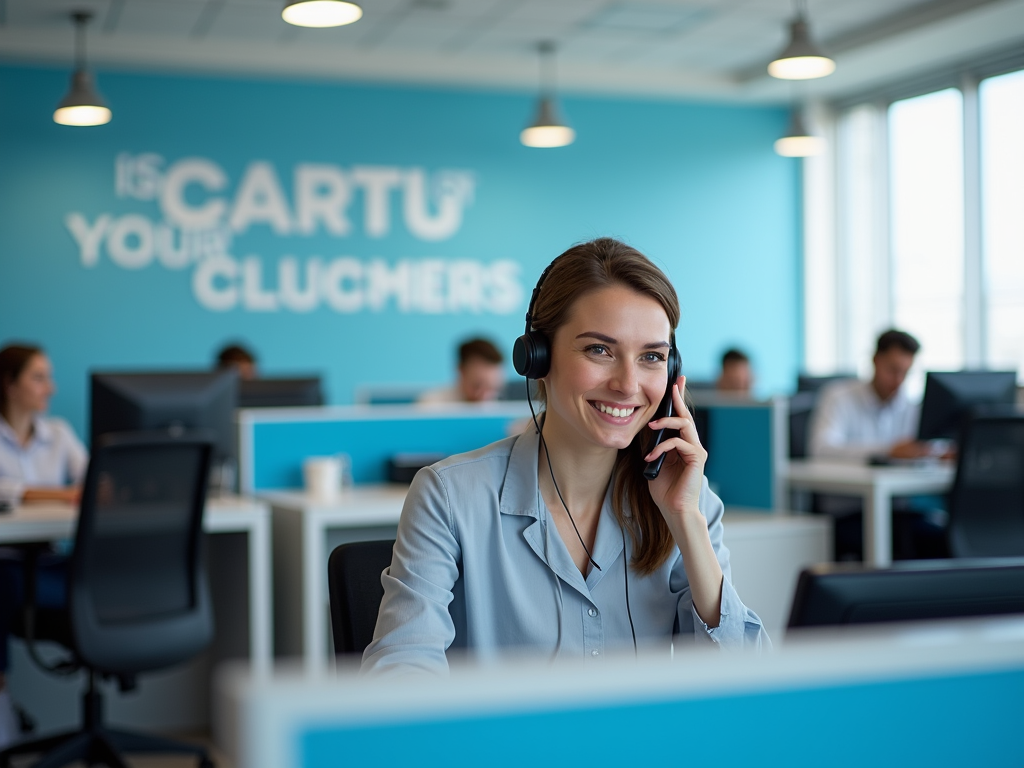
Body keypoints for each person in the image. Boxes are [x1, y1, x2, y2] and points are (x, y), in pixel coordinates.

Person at [362, 238, 768, 675]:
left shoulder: (686, 498)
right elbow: (401, 671)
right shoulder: (451, 497)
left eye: (651, 356)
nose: (629, 384)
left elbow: (745, 683)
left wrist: (686, 521)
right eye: (600, 350)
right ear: (537, 357)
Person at [0, 343, 88, 748]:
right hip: (8, 563)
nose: (49, 388)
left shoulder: (58, 434)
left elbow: (89, 481)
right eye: (38, 377)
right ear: (8, 384)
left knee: (100, 575)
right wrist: (57, 495)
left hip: (51, 561)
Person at [809, 329, 930, 462]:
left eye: (905, 373)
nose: (898, 380)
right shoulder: (838, 396)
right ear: (875, 361)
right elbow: (821, 449)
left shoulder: (910, 407)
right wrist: (888, 451)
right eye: (893, 370)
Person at [417, 337, 505, 405]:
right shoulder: (431, 404)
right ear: (461, 371)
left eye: (492, 388)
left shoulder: (504, 409)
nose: (484, 396)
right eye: (477, 386)